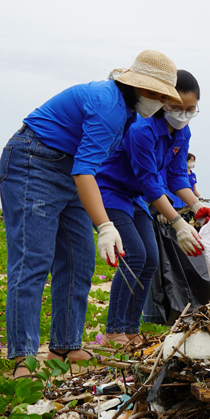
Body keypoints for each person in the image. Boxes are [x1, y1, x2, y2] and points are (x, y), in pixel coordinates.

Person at [0, 50, 180, 377]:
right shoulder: (108, 105)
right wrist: (106, 225)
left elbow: (87, 167)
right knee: (33, 259)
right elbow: (86, 170)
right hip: (33, 162)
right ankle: (21, 356)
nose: (156, 101)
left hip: (68, 171)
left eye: (161, 95)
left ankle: (65, 344)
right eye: (152, 92)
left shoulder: (129, 114)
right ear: (135, 85)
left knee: (79, 259)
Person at [96, 69, 210, 345]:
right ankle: (114, 330)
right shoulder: (142, 129)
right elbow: (150, 183)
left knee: (150, 258)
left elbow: (176, 177)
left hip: (135, 197)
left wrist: (195, 205)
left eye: (190, 109)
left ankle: (130, 329)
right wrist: (178, 222)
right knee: (134, 255)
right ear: (163, 101)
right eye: (176, 107)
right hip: (111, 191)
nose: (182, 114)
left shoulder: (182, 133)